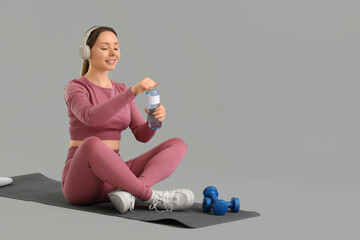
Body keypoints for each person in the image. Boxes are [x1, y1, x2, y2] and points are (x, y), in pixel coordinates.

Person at [61, 26, 194, 213]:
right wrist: (131, 93)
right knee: (92, 144)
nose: (113, 52)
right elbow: (91, 118)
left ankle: (130, 192)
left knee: (178, 144)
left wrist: (152, 120)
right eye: (105, 47)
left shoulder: (121, 90)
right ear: (87, 52)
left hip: (115, 179)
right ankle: (150, 196)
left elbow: (142, 135)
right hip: (82, 182)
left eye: (116, 47)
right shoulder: (75, 88)